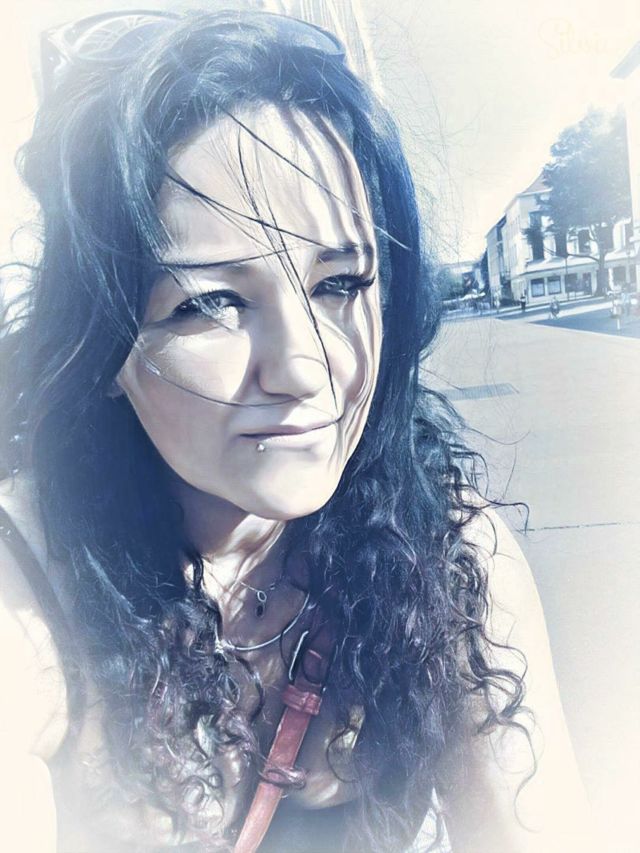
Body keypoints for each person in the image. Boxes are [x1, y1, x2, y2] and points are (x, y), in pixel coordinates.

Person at [0, 9, 593, 853]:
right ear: (100, 344)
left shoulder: (447, 555)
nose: (307, 367)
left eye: (340, 283)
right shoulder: (32, 592)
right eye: (211, 301)